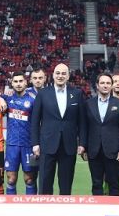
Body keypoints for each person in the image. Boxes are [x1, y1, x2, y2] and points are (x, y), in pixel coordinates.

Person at [30, 63, 86, 195]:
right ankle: (45, 213)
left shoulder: (77, 93)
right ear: (53, 75)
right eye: (58, 73)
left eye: (63, 73)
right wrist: (35, 143)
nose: (60, 76)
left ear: (68, 76)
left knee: (66, 185)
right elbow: (35, 121)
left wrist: (82, 143)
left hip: (69, 145)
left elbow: (82, 121)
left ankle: (64, 213)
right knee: (44, 183)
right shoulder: (43, 94)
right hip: (47, 144)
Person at [82, 73, 119, 196]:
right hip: (94, 150)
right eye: (102, 83)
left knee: (113, 184)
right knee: (96, 184)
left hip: (113, 151)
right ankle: (97, 212)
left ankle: (115, 212)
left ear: (112, 86)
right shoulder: (88, 104)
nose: (105, 85)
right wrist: (84, 147)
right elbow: (85, 127)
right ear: (97, 86)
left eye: (108, 83)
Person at [3, 71, 38, 195]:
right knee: (11, 179)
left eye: (20, 81)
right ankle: (11, 209)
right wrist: (0, 98)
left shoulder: (33, 100)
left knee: (30, 179)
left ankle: (31, 208)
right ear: (11, 83)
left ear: (26, 82)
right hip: (12, 145)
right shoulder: (7, 98)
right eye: (15, 81)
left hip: (29, 145)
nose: (18, 84)